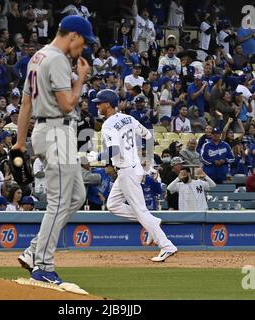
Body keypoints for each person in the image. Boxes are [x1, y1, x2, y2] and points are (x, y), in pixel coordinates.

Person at [14, 15, 92, 285]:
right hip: (57, 131)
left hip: (47, 130)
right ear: (73, 36)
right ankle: (43, 266)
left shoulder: (37, 57)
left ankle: (33, 250)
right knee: (59, 201)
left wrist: (20, 142)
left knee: (77, 196)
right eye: (83, 43)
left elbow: (25, 104)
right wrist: (81, 78)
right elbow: (68, 104)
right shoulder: (58, 58)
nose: (82, 49)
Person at [88, 89, 177, 262]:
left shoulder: (108, 124)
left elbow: (114, 150)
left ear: (108, 104)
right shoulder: (128, 118)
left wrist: (96, 157)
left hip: (127, 170)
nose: (97, 105)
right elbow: (147, 134)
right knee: (113, 205)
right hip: (132, 168)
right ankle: (151, 221)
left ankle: (166, 245)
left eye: (99, 102)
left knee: (140, 210)